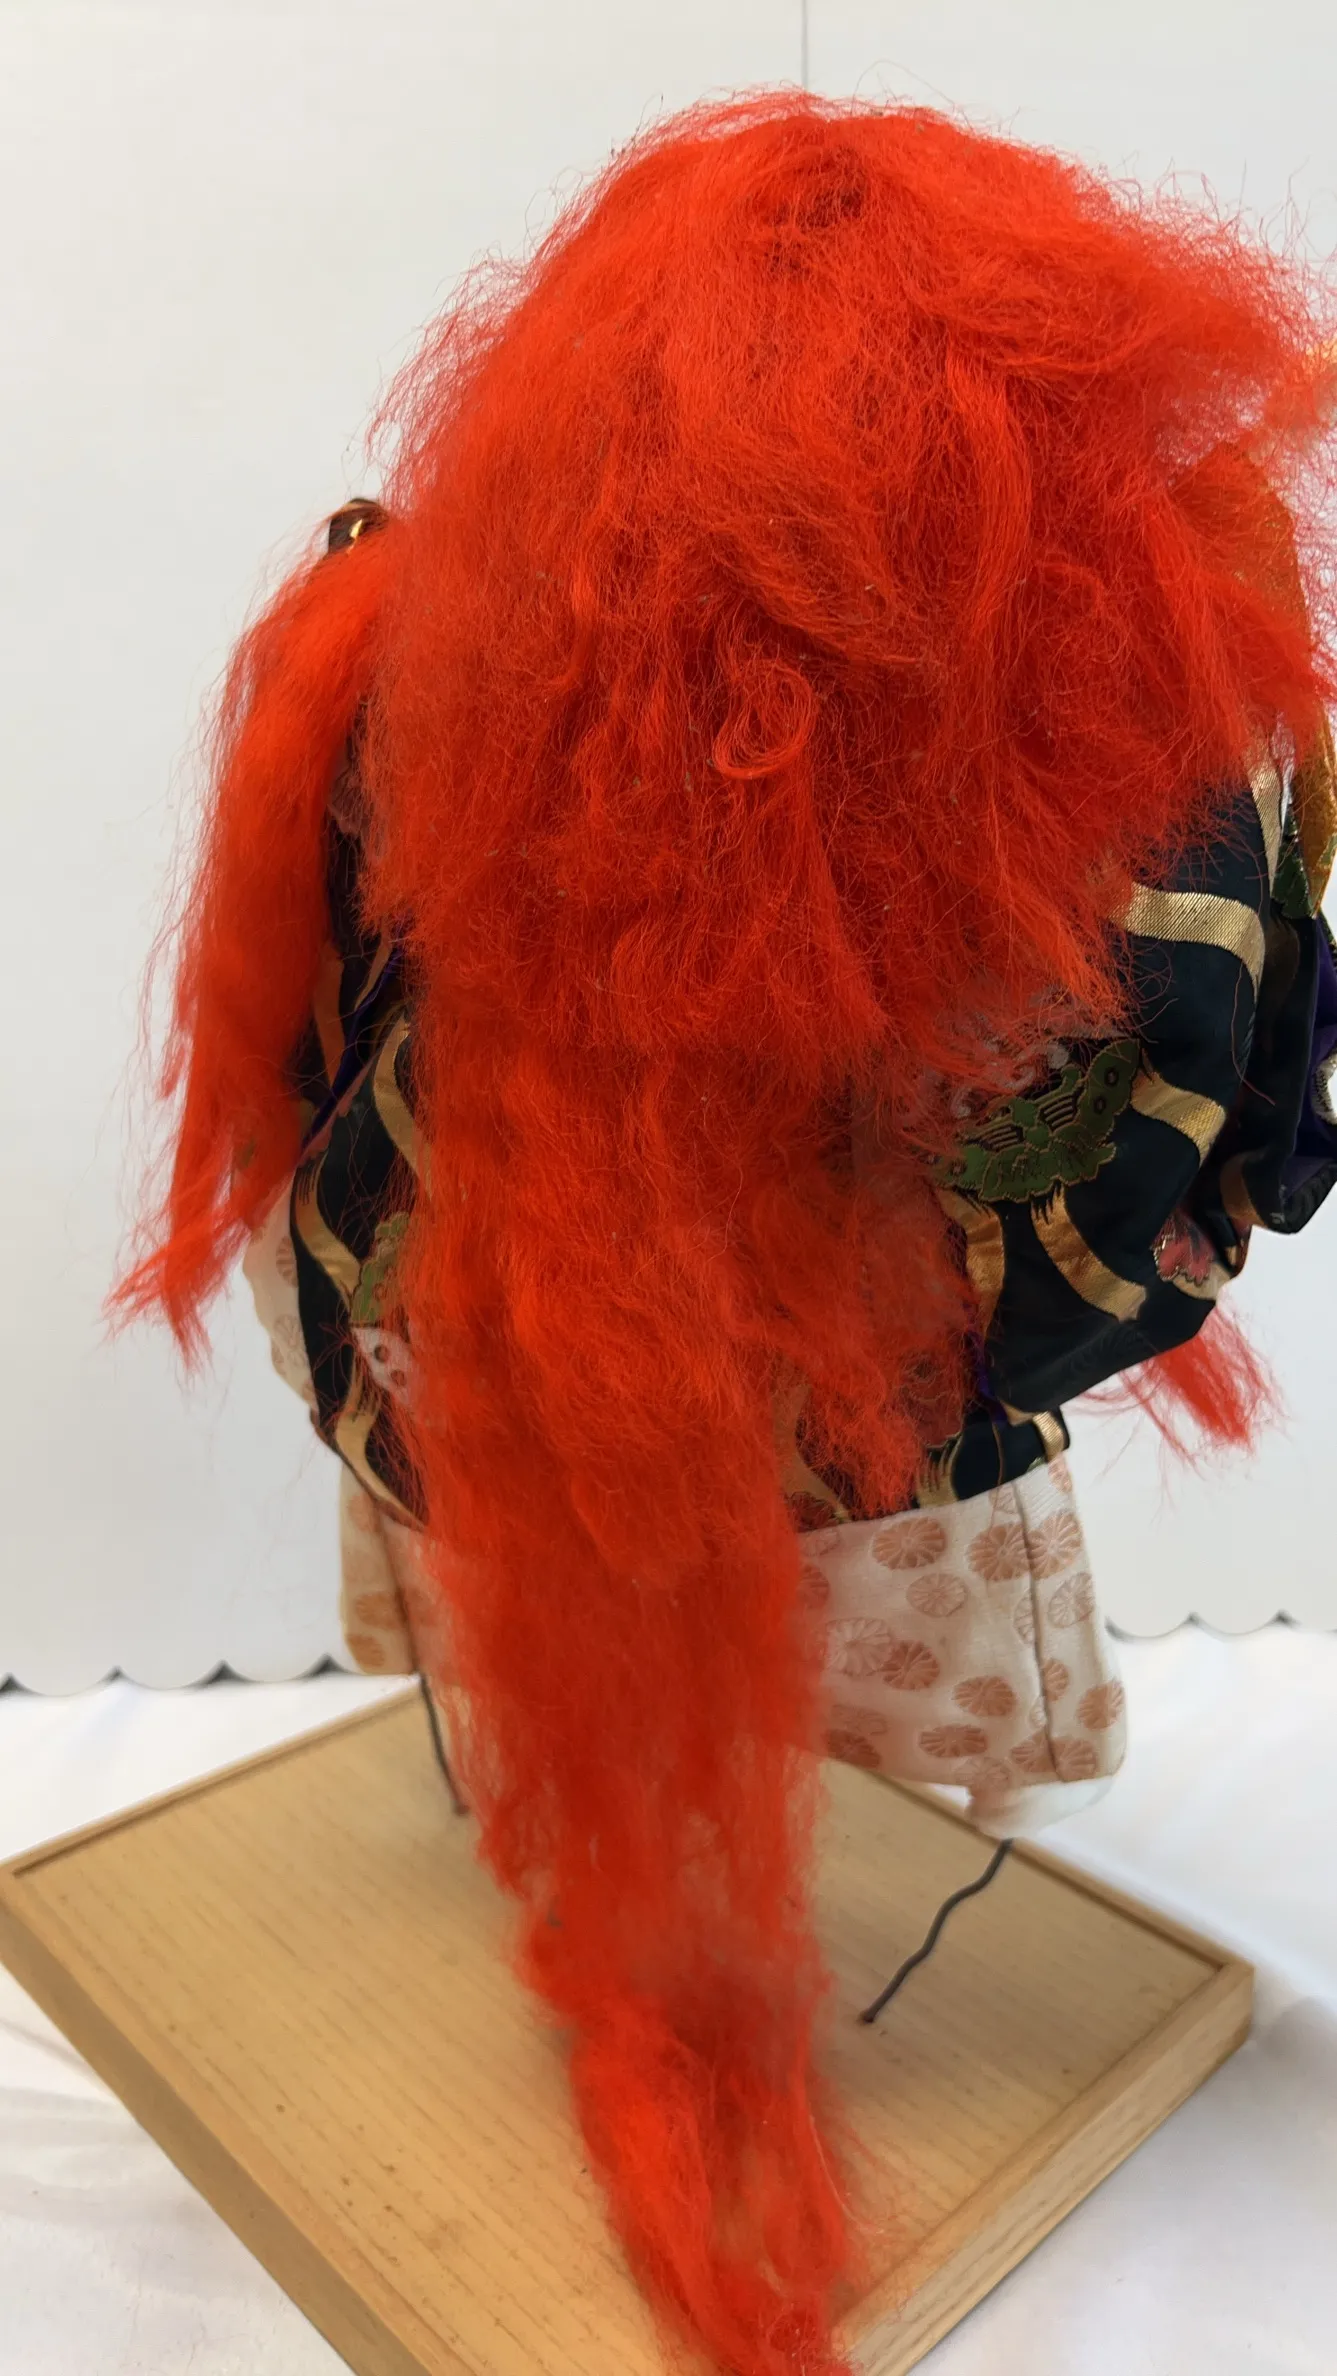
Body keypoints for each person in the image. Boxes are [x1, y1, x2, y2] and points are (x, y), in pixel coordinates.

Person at [118, 96, 1337, 2376]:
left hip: (728, 1427)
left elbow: (1185, 1164)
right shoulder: (395, 663)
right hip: (539, 1394)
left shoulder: (1133, 768)